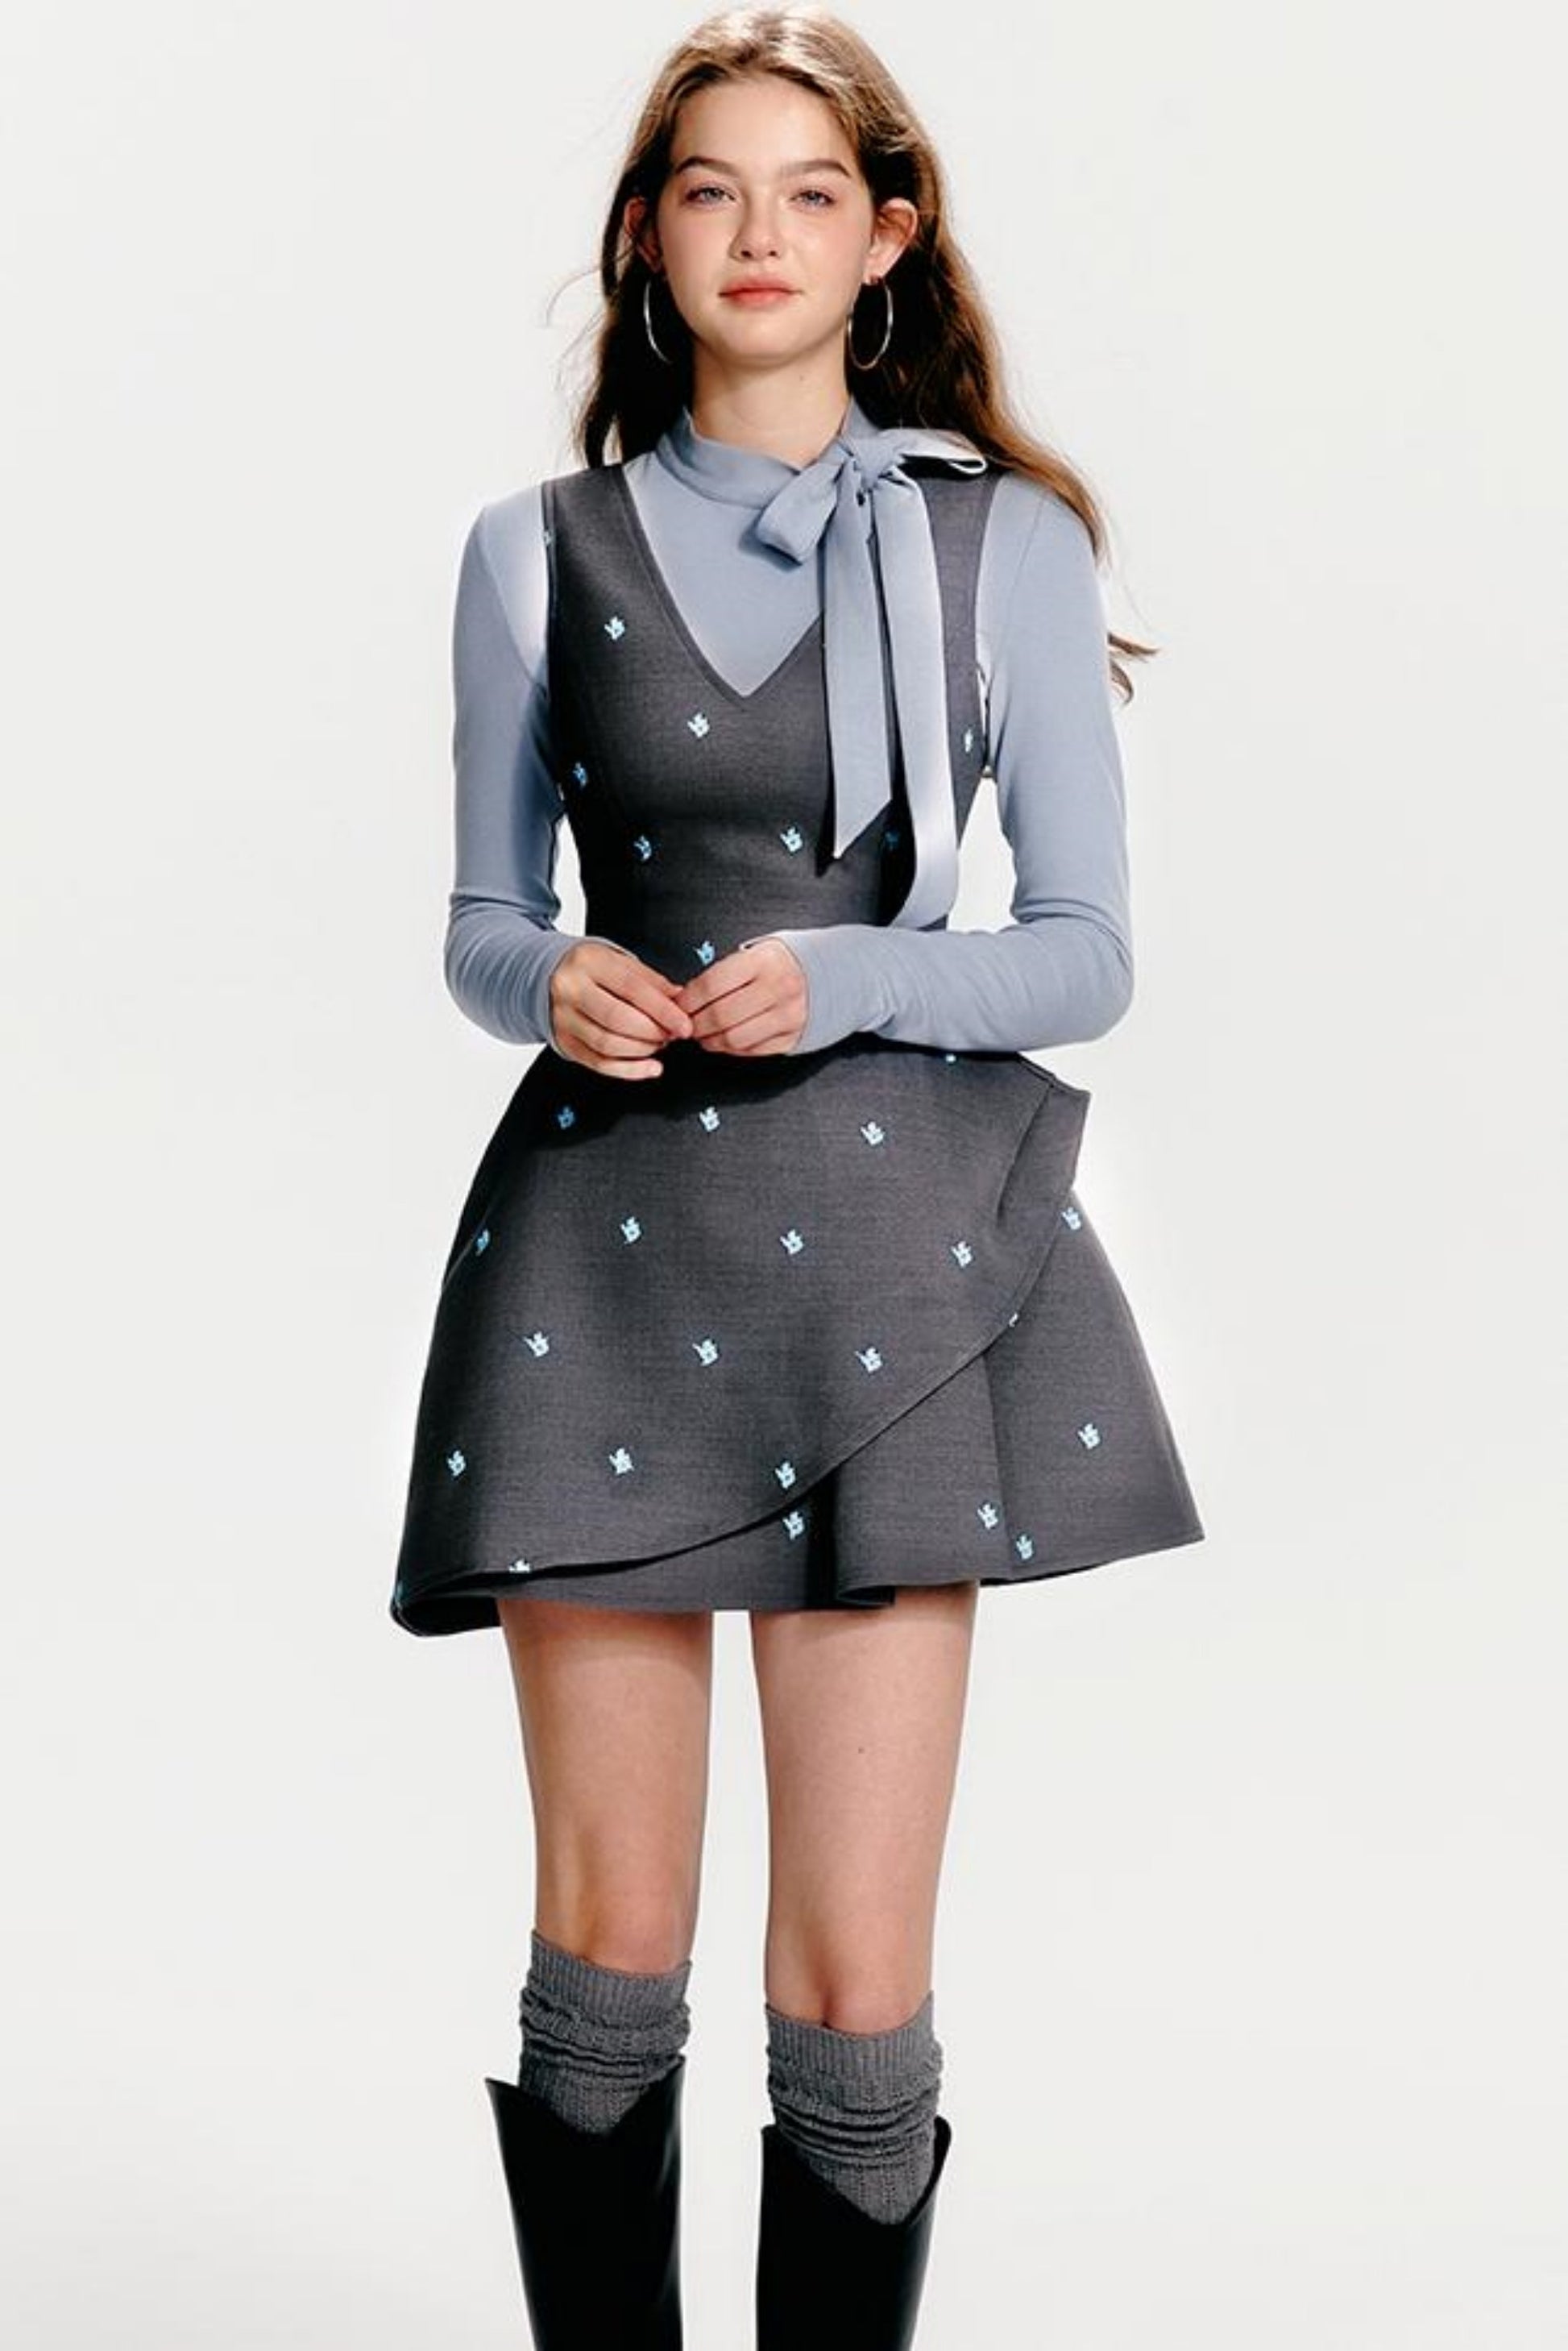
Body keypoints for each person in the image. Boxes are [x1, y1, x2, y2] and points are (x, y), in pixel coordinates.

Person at [390, 8, 1205, 2343]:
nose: (760, 233)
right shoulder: (529, 550)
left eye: (810, 192)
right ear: (649, 241)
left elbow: (1081, 957)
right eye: (711, 191)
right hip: (601, 1260)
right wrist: (546, 978)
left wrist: (850, 977)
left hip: (895, 1276)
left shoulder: (999, 543)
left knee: (857, 1981)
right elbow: (478, 923)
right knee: (603, 1954)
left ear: (885, 238)